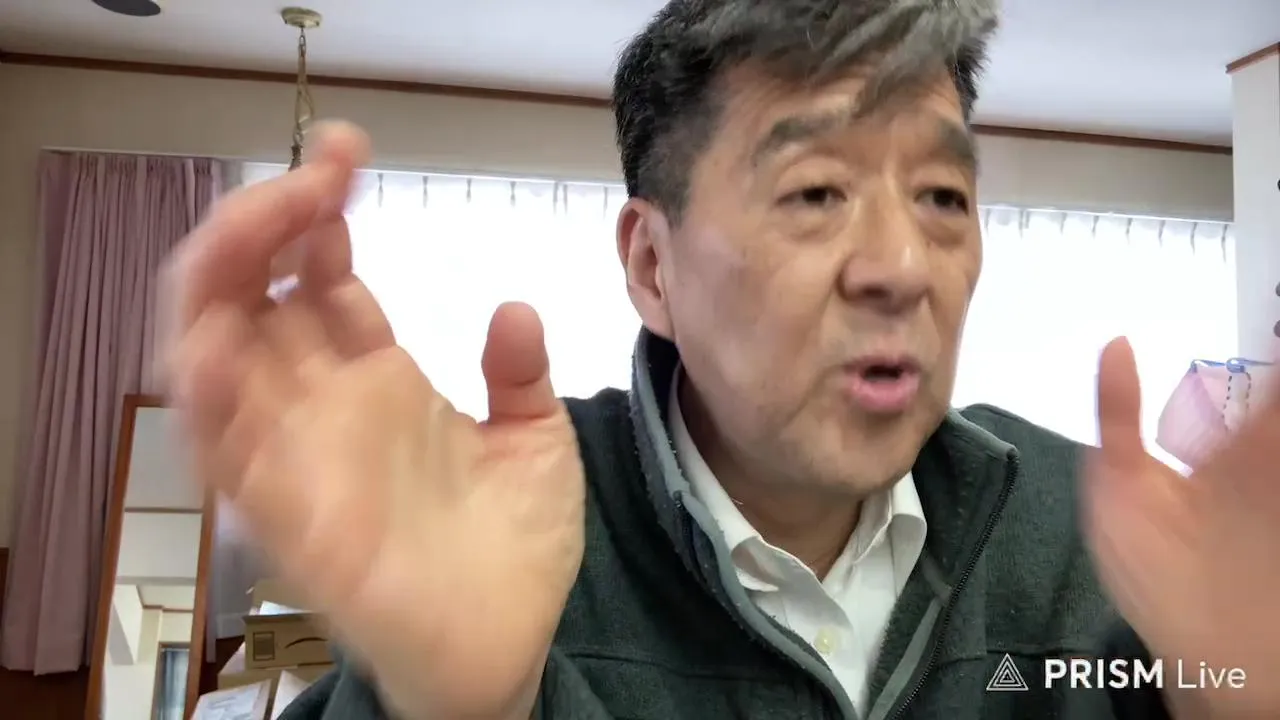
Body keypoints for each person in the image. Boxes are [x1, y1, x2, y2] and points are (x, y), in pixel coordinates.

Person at [162, 1, 1280, 718]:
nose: (901, 265)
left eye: (943, 196)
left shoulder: (1096, 535)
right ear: (652, 265)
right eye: (816, 193)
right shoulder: (503, 531)